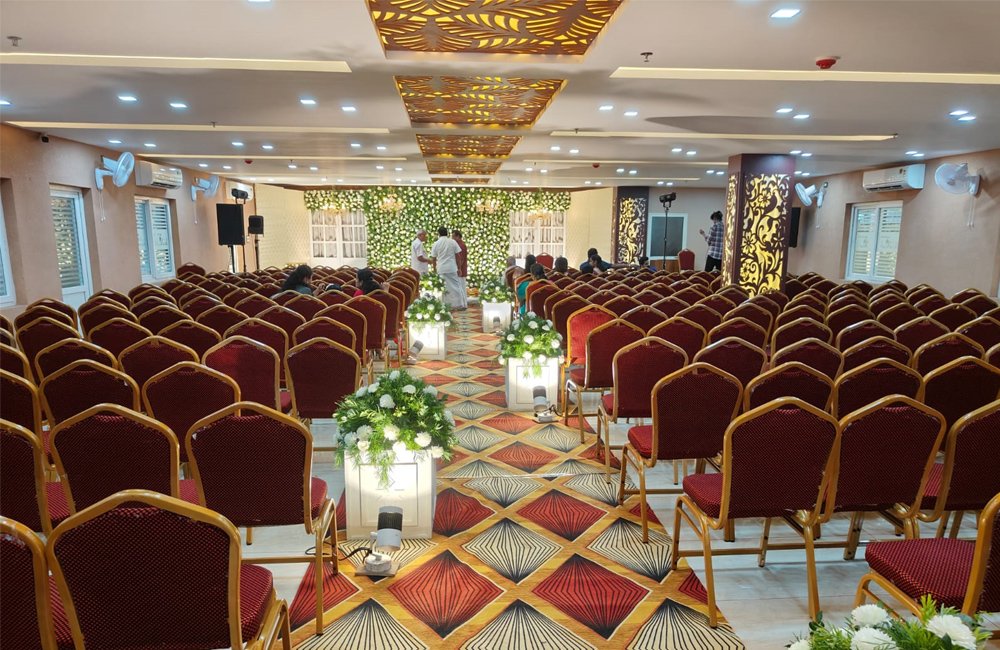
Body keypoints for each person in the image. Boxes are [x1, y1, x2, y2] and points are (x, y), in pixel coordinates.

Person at [430, 226, 463, 309]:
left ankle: (444, 305)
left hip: (441, 268)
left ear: (438, 234)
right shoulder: (452, 242)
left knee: (443, 287)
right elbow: (458, 256)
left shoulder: (436, 243)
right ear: (447, 233)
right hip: (452, 267)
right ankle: (458, 304)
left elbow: (433, 259)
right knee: (455, 287)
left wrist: (434, 270)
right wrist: (459, 268)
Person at [452, 229, 469, 310]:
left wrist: (458, 269)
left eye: (453, 236)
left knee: (461, 288)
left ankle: (463, 304)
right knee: (461, 288)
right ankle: (463, 304)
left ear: (458, 236)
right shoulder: (460, 244)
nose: (452, 238)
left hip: (460, 271)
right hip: (461, 270)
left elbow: (460, 259)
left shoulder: (461, 245)